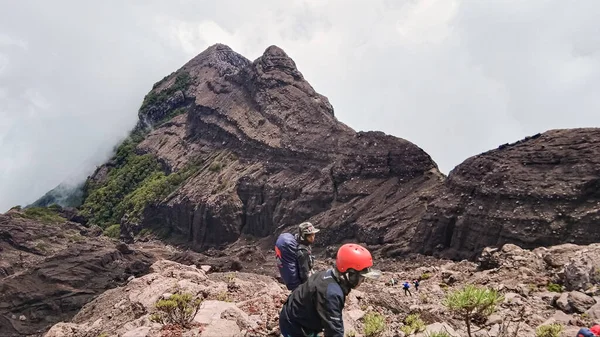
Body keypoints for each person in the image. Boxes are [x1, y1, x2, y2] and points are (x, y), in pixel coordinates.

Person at [279, 243, 381, 337]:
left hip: (294, 316)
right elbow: (335, 331)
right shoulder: (331, 293)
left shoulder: (328, 275)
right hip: (293, 327)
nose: (362, 281)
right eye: (361, 277)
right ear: (350, 274)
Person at [275, 222, 320, 291]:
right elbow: (304, 273)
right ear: (303, 236)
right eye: (309, 236)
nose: (312, 238)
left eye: (313, 235)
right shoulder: (302, 252)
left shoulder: (301, 244)